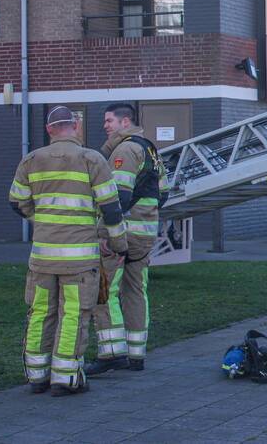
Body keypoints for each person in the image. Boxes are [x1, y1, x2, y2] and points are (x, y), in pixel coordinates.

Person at [9, 106, 127, 396]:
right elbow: (111, 210)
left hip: (42, 258)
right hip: (79, 259)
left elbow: (16, 201)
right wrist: (120, 244)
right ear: (76, 126)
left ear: (49, 130)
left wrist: (41, 220)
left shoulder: (31, 160)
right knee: (73, 314)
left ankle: (37, 375)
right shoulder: (92, 159)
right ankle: (66, 378)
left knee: (40, 313)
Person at [86, 103, 168, 375]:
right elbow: (163, 194)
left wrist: (108, 233)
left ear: (125, 122)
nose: (105, 126)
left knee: (104, 290)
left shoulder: (124, 150)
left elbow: (117, 198)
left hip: (121, 233)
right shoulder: (150, 150)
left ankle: (111, 353)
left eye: (109, 121)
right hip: (145, 235)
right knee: (136, 290)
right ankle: (136, 354)